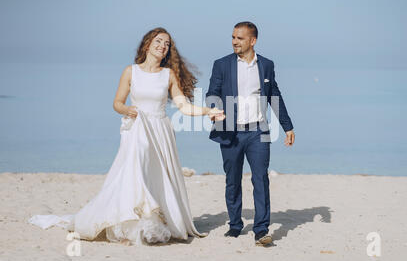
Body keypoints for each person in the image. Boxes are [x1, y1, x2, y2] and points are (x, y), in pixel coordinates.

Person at [28, 27, 225, 245]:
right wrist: (126, 110)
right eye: (158, 41)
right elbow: (117, 102)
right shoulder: (131, 71)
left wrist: (208, 111)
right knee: (135, 171)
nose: (162, 46)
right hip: (137, 128)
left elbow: (183, 106)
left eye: (167, 44)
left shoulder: (167, 75)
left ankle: (153, 221)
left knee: (156, 176)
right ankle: (133, 223)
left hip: (160, 131)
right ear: (148, 44)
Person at [206, 21, 295, 246]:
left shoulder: (266, 65)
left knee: (261, 179)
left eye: (240, 38)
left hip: (259, 131)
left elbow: (274, 96)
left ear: (252, 41)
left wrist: (287, 126)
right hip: (230, 132)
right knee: (232, 180)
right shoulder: (221, 64)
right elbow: (212, 93)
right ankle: (235, 225)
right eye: (233, 37)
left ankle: (261, 229)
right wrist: (213, 110)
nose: (235, 41)